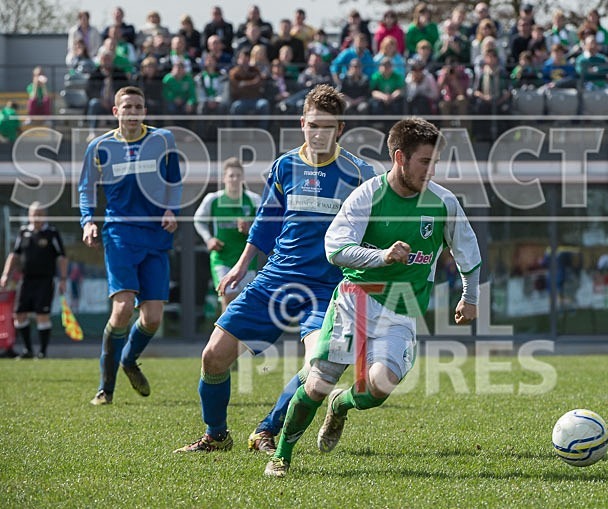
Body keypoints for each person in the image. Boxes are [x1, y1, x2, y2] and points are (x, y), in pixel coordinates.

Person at [264, 117, 482, 477]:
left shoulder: (443, 202)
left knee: (378, 388)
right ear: (400, 158)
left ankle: (341, 406)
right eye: (424, 162)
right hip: (355, 302)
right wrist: (381, 256)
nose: (431, 170)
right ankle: (281, 455)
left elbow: (468, 252)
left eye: (435, 162)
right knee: (317, 384)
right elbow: (335, 249)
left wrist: (469, 297)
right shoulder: (368, 195)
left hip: (402, 310)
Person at [173, 84, 374, 453]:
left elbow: (374, 230)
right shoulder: (285, 166)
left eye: (327, 127)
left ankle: (266, 429)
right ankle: (216, 435)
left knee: (318, 368)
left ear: (340, 129)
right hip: (276, 277)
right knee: (213, 356)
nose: (318, 133)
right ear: (302, 124)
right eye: (312, 125)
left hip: (328, 288)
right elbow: (266, 224)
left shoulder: (361, 174)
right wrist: (240, 265)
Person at [78, 85, 182, 405]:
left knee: (152, 318)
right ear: (116, 112)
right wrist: (87, 221)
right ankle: (105, 389)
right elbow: (86, 188)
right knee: (123, 308)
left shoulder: (163, 140)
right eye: (127, 107)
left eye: (138, 107)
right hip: (120, 233)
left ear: (144, 112)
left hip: (155, 235)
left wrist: (172, 210)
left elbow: (174, 180)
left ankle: (128, 359)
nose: (133, 112)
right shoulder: (99, 147)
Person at [0, 203, 68, 359]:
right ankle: (27, 351)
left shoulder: (51, 233)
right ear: (29, 215)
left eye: (40, 214)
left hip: (45, 280)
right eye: (33, 214)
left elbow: (62, 257)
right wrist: (5, 275)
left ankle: (42, 352)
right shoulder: (23, 232)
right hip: (26, 280)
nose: (36, 217)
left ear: (45, 216)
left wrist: (63, 279)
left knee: (42, 314)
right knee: (19, 314)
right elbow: (14, 255)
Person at [193, 158, 261, 312]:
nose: (235, 179)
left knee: (244, 303)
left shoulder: (253, 200)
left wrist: (250, 229)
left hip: (246, 259)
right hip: (222, 257)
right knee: (228, 297)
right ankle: (226, 328)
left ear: (243, 178)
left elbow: (264, 227)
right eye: (231, 175)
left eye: (238, 175)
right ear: (224, 178)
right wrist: (209, 239)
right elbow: (198, 220)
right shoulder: (213, 199)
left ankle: (235, 329)